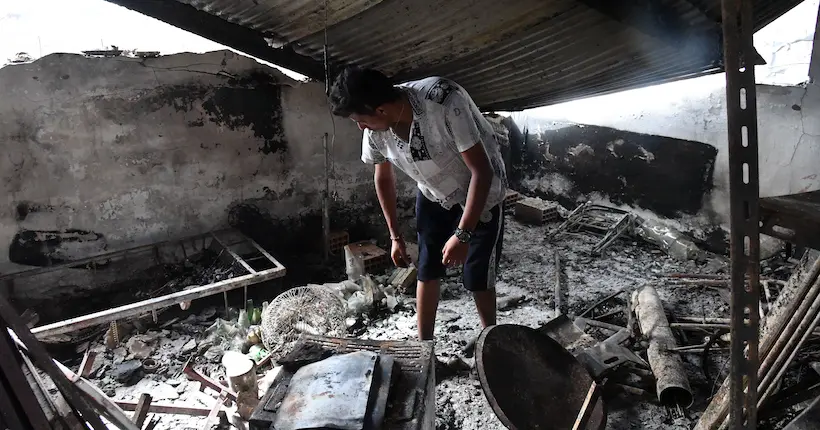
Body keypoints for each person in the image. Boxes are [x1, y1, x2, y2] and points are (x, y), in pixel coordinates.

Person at [329, 67, 508, 342]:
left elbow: (481, 172)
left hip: (480, 192)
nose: (360, 127)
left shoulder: (444, 102)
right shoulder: (376, 132)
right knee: (427, 267)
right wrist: (395, 237)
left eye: (360, 119)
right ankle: (425, 346)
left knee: (477, 275)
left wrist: (462, 235)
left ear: (379, 109)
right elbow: (383, 177)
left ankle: (492, 340)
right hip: (433, 192)